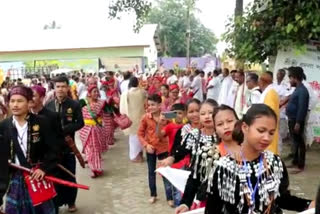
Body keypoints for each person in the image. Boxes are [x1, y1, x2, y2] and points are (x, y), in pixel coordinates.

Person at [204, 104, 313, 213]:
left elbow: (282, 199)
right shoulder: (224, 168)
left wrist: (308, 204)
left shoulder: (274, 163)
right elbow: (212, 210)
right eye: (261, 131)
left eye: (271, 133)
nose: (267, 138)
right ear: (245, 128)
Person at [0, 86, 59, 214]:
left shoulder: (42, 123)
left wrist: (44, 168)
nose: (15, 105)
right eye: (12, 101)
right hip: (14, 179)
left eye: (20, 101)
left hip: (37, 178)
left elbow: (54, 150)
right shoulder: (4, 126)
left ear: (29, 103)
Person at [175, 104, 241, 214]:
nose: (226, 126)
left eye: (230, 121)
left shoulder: (251, 151)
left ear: (238, 123)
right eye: (220, 124)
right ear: (215, 128)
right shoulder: (208, 153)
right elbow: (194, 178)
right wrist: (185, 203)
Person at [45, 76, 84, 212]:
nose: (60, 89)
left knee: (70, 175)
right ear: (54, 88)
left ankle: (71, 202)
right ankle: (57, 203)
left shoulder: (74, 105)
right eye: (58, 86)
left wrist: (65, 129)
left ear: (68, 87)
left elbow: (80, 123)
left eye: (63, 86)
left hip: (68, 147)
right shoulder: (48, 105)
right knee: (55, 177)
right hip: (53, 150)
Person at [137, 94, 173, 205]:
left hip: (164, 148)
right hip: (151, 148)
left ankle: (169, 197)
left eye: (153, 105)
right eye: (149, 105)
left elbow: (173, 129)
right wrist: (146, 145)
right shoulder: (145, 118)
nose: (150, 107)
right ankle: (153, 194)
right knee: (151, 171)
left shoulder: (167, 116)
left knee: (165, 172)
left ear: (159, 105)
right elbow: (140, 133)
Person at [157, 103, 187, 207]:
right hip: (174, 158)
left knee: (182, 185)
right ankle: (178, 205)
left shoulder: (187, 127)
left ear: (184, 114)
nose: (178, 115)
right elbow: (159, 135)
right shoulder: (170, 126)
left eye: (180, 113)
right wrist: (160, 123)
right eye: (175, 113)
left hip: (185, 158)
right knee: (175, 185)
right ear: (172, 115)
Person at [79, 84, 110, 178]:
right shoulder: (83, 103)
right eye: (94, 92)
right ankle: (94, 168)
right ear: (89, 93)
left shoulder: (102, 103)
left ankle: (96, 168)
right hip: (86, 130)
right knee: (89, 150)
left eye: (97, 91)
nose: (96, 93)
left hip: (97, 130)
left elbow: (109, 113)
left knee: (95, 150)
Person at [286, 66, 309, 174]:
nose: (289, 80)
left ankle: (300, 165)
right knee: (295, 141)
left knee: (300, 142)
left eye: (290, 78)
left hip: (296, 121)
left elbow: (302, 108)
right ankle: (295, 161)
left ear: (295, 78)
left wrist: (298, 122)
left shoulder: (303, 91)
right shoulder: (298, 90)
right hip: (292, 119)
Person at [120, 77, 147, 162]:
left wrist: (124, 115)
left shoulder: (126, 93)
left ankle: (135, 156)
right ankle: (140, 155)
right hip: (141, 117)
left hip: (131, 119)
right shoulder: (143, 92)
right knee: (141, 136)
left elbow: (122, 108)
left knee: (133, 138)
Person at [258, 71, 280, 155]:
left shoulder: (270, 93)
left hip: (268, 129)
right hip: (266, 128)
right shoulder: (269, 92)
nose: (258, 84)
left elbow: (268, 112)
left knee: (269, 152)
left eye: (259, 81)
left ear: (263, 82)